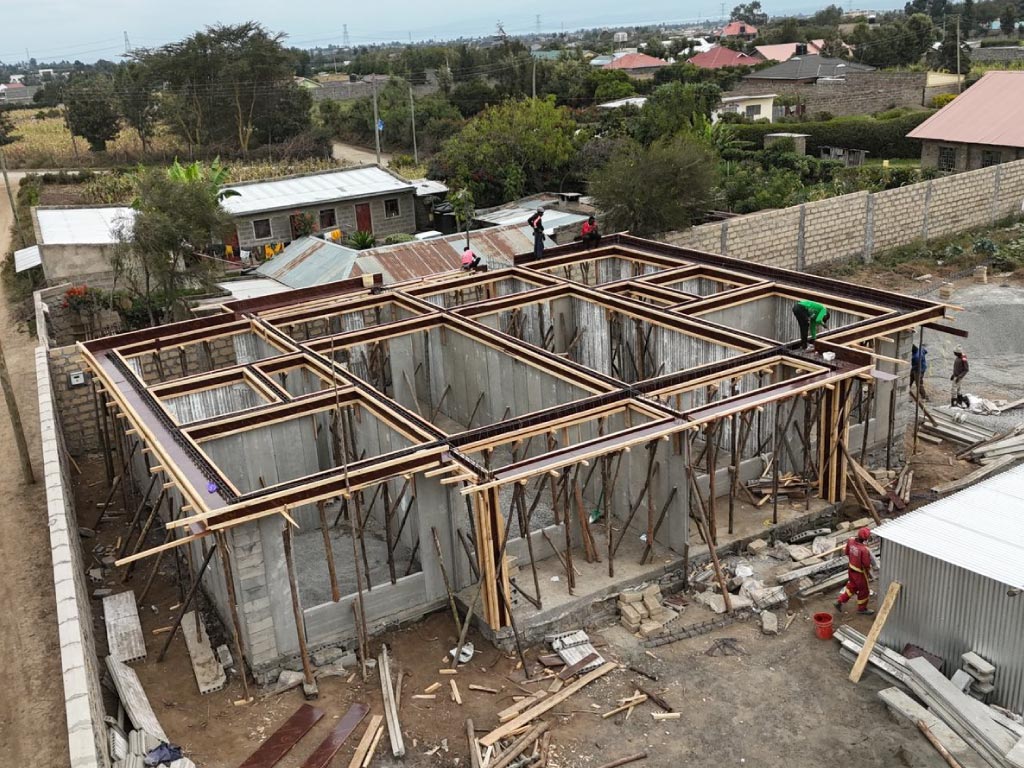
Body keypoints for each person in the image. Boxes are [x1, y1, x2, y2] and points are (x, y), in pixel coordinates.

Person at [835, 527, 876, 615]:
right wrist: (871, 572)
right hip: (860, 573)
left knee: (852, 586)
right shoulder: (864, 549)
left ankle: (840, 600)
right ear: (866, 538)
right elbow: (866, 564)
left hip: (851, 569)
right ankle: (862, 609)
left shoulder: (850, 540)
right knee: (864, 591)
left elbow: (847, 552)